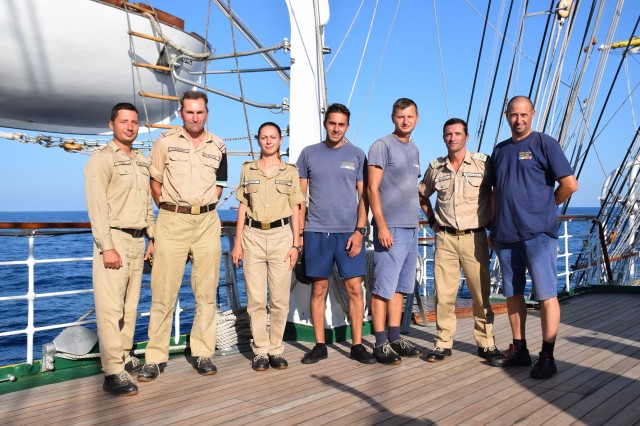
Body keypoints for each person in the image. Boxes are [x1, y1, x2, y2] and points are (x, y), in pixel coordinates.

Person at [138, 90, 228, 381]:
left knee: (206, 293)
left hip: (207, 223)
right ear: (181, 113)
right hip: (172, 221)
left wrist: (202, 208)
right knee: (163, 293)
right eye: (190, 112)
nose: (195, 117)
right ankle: (154, 358)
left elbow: (220, 184)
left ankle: (203, 353)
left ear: (207, 114)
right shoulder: (165, 142)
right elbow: (154, 182)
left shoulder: (219, 145)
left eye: (200, 112)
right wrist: (170, 209)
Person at [486, 95, 578, 379]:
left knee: (546, 294)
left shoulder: (544, 143)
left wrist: (547, 207)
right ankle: (520, 349)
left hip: (538, 234)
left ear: (532, 114)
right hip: (505, 235)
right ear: (506, 116)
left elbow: (569, 184)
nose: (519, 120)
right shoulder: (499, 151)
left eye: (524, 114)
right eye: (514, 115)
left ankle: (547, 356)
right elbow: (493, 192)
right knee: (513, 294)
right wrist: (492, 227)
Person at [296, 103, 376, 365]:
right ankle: (320, 345)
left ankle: (357, 345)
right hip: (316, 232)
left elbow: (364, 197)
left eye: (341, 124)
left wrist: (360, 231)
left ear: (347, 127)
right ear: (325, 123)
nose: (336, 128)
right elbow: (300, 198)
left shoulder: (357, 155)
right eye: (332, 123)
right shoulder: (308, 154)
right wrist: (300, 234)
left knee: (354, 289)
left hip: (348, 234)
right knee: (318, 289)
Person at [85, 103, 155, 396]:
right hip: (114, 239)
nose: (130, 126)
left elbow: (147, 203)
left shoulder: (141, 160)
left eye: (134, 122)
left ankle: (124, 357)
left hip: (138, 241)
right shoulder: (101, 159)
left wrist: (152, 237)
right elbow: (97, 206)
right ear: (111, 124)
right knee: (110, 308)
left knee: (130, 306)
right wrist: (107, 247)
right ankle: (113, 371)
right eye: (124, 121)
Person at [418, 118, 500, 362]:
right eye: (448, 134)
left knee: (480, 294)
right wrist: (431, 219)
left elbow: (496, 193)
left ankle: (486, 343)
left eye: (457, 134)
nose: (452, 138)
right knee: (444, 296)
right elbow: (422, 195)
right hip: (445, 239)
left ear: (466, 137)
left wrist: (494, 225)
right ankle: (443, 343)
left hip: (475, 238)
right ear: (443, 137)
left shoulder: (483, 164)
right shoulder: (436, 168)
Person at [231, 122, 305, 371]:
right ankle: (261, 351)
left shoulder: (290, 171)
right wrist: (237, 243)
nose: (269, 141)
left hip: (281, 237)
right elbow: (242, 207)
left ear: (280, 140)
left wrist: (296, 244)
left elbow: (296, 208)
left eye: (273, 137)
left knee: (280, 300)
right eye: (264, 137)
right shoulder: (247, 169)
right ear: (258, 140)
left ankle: (276, 349)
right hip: (252, 236)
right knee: (255, 299)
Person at [367, 98, 423, 364]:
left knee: (400, 288)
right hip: (391, 228)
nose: (405, 121)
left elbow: (410, 189)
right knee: (382, 288)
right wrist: (381, 225)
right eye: (401, 116)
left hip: (411, 228)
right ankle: (380, 343)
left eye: (410, 116)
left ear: (417, 118)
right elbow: (372, 188)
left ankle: (394, 337)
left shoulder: (414, 149)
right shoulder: (382, 146)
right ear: (393, 118)